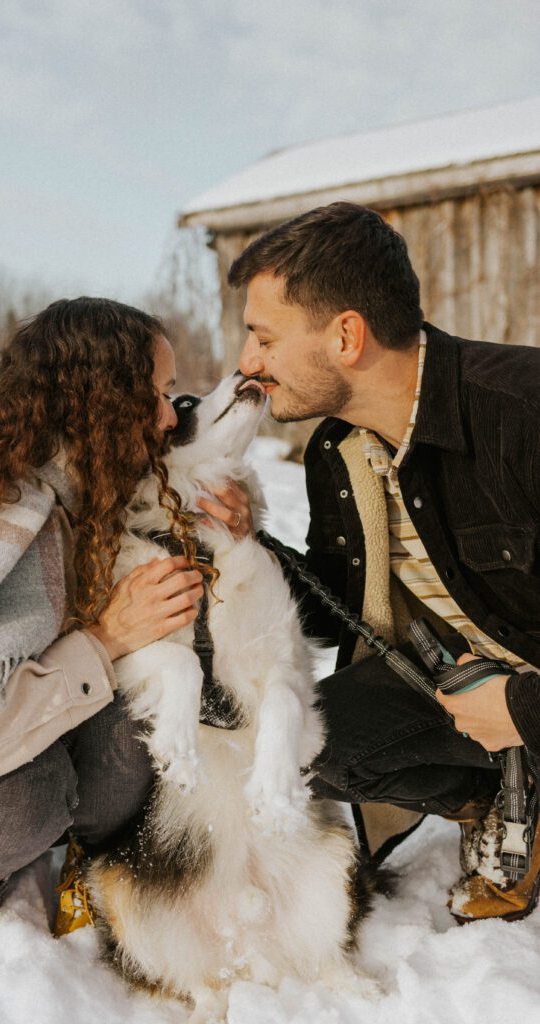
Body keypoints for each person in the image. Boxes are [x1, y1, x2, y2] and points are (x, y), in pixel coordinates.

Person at [0, 296, 218, 989]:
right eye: (159, 394)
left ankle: (90, 855)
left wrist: (230, 522)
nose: (172, 417)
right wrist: (105, 639)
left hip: (62, 749)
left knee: (153, 714)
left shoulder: (122, 498)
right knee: (28, 790)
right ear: (103, 397)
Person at [223, 201, 540, 923]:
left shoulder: (522, 414)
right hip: (454, 689)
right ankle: (497, 793)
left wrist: (522, 710)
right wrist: (246, 545)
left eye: (263, 337)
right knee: (300, 745)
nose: (247, 363)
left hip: (525, 690)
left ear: (345, 335)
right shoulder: (338, 450)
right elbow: (334, 608)